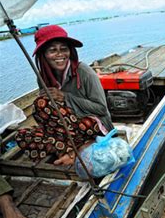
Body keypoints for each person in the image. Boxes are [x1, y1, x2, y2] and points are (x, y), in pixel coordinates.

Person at [16, 25, 113, 166]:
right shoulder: (42, 77)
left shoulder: (84, 72)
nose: (60, 55)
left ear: (70, 51)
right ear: (43, 54)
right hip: (65, 129)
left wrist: (65, 97)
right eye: (52, 50)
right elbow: (50, 116)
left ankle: (69, 151)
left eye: (64, 49)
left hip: (92, 124)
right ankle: (73, 149)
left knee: (42, 104)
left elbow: (101, 109)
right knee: (23, 135)